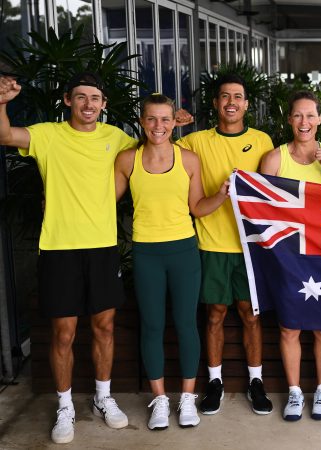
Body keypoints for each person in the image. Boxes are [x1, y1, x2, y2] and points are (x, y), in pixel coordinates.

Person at [0, 72, 135, 444]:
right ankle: (65, 405)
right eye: (81, 97)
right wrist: (2, 103)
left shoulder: (118, 139)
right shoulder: (48, 135)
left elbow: (152, 153)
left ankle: (103, 398)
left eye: (95, 98)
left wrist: (175, 123)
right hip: (60, 248)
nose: (88, 104)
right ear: (67, 101)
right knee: (64, 333)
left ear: (104, 105)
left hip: (103, 246)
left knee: (105, 326)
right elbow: (6, 135)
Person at [114, 94, 230, 431]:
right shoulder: (127, 160)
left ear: (174, 122)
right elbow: (105, 200)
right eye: (151, 119)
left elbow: (198, 207)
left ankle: (187, 399)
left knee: (185, 324)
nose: (158, 126)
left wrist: (222, 195)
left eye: (165, 119)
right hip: (147, 252)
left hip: (184, 251)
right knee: (151, 325)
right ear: (141, 121)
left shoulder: (189, 159)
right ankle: (160, 400)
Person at [176, 74, 275, 416]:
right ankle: (215, 382)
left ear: (247, 104)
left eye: (237, 96)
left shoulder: (263, 141)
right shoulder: (194, 141)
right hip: (212, 243)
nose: (231, 102)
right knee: (215, 313)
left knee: (250, 315)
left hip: (251, 246)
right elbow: (157, 154)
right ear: (216, 103)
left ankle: (255, 381)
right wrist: (173, 124)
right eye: (224, 97)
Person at [259, 91, 321, 421]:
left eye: (310, 116)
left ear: (320, 119)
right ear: (289, 119)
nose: (304, 122)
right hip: (288, 255)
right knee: (289, 327)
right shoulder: (274, 158)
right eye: (297, 115)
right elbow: (263, 210)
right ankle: (294, 392)